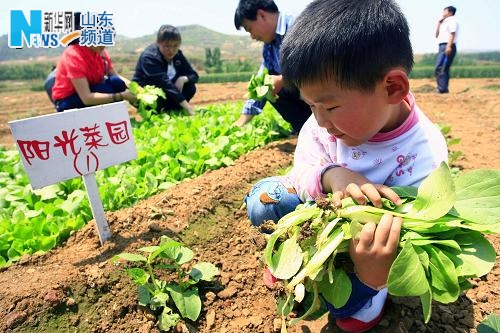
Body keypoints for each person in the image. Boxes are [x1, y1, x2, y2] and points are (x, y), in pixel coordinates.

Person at [245, 0, 449, 332]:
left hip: (365, 251)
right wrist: (331, 175)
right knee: (265, 199)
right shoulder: (322, 123)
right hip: (319, 218)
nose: (320, 121)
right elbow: (300, 171)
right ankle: (291, 256)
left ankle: (369, 292)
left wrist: (375, 274)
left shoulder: (424, 155)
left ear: (392, 88)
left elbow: (417, 235)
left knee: (348, 311)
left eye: (331, 106)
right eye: (312, 106)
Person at [233, 0, 311, 133]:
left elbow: (319, 63)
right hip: (306, 100)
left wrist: (283, 79)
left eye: (250, 29)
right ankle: (304, 128)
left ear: (261, 15)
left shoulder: (298, 25)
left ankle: (323, 125)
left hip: (325, 93)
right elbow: (260, 84)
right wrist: (243, 120)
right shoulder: (269, 47)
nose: (252, 36)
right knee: (268, 86)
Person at [51, 13, 136, 112]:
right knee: (110, 91)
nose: (105, 45)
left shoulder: (100, 52)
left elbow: (114, 75)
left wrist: (136, 88)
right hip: (68, 99)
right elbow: (86, 98)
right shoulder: (74, 55)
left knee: (117, 82)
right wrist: (121, 96)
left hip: (91, 89)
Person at [132, 25, 198, 115]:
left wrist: (183, 79)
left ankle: (172, 111)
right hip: (147, 92)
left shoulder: (177, 54)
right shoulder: (150, 57)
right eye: (167, 46)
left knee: (190, 87)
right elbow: (165, 83)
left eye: (175, 46)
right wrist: (188, 107)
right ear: (158, 43)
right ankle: (153, 114)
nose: (171, 50)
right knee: (156, 97)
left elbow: (194, 75)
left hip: (166, 91)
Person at [435, 6, 459, 93]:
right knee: (442, 67)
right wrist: (439, 23)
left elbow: (452, 33)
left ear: (450, 12)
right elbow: (436, 35)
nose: (443, 12)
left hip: (447, 45)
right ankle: (443, 88)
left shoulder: (452, 20)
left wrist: (449, 46)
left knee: (441, 67)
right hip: (442, 45)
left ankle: (442, 89)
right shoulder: (444, 22)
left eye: (444, 10)